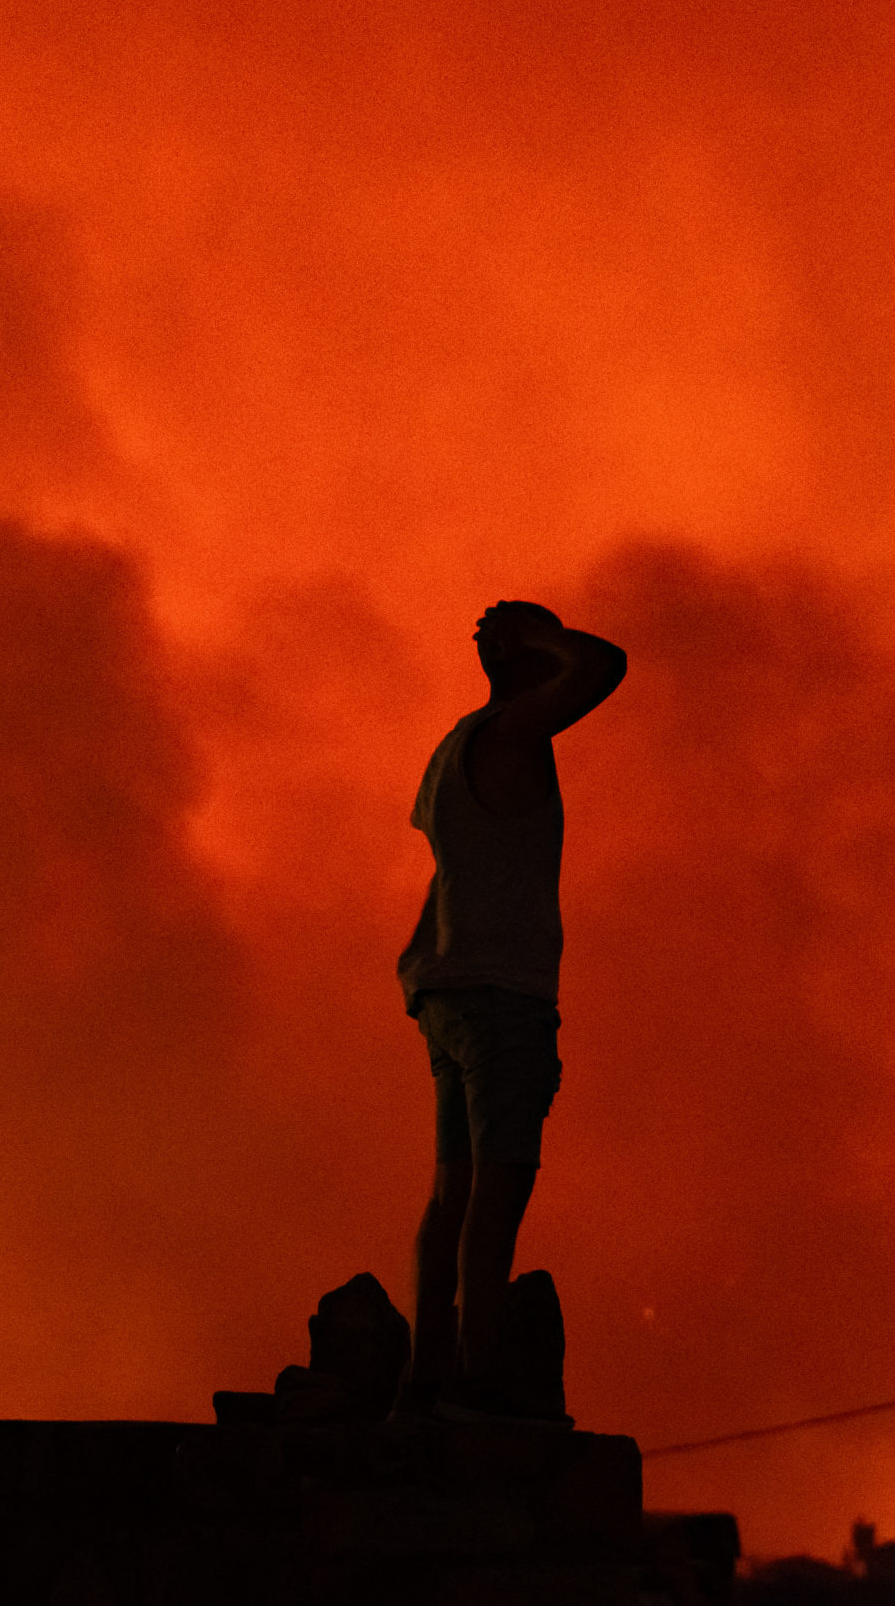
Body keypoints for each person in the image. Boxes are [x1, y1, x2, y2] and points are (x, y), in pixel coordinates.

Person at [397, 600, 626, 1422]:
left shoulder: (455, 747)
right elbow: (605, 665)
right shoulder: (514, 737)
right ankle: (473, 1383)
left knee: (452, 1189)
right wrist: (536, 636)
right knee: (498, 1191)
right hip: (500, 995)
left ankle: (428, 1374)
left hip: (448, 986)